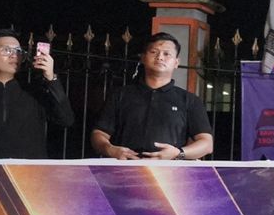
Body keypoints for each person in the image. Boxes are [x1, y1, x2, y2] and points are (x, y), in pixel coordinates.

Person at [0, 29, 75, 159]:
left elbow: (66, 119)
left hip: (29, 170)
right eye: (6, 50)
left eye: (18, 51)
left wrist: (51, 78)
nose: (14, 55)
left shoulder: (34, 92)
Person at [90, 32, 213, 160]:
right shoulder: (120, 95)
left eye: (167, 54)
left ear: (176, 62)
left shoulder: (189, 100)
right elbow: (99, 134)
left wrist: (178, 153)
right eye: (154, 52)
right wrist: (111, 150)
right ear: (143, 58)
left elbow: (206, 143)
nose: (160, 57)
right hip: (125, 167)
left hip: (170, 169)